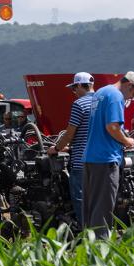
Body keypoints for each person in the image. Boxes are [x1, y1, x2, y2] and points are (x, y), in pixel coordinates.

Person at [82, 72, 134, 236]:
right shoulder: (116, 96)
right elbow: (112, 127)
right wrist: (127, 141)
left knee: (92, 206)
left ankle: (88, 246)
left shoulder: (101, 92)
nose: (130, 98)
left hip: (91, 156)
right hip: (106, 158)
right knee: (103, 208)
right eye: (133, 94)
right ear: (130, 85)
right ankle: (100, 250)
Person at [48, 72, 96, 227]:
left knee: (80, 198)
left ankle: (85, 233)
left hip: (81, 161)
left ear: (81, 86)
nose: (74, 92)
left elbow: (70, 133)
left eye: (74, 88)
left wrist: (56, 148)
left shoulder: (79, 104)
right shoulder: (103, 102)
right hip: (100, 160)